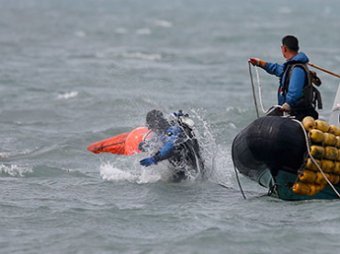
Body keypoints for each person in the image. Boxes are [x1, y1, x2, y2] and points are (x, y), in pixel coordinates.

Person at [249, 35, 322, 121]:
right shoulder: (291, 67)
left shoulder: (297, 69)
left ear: (284, 49)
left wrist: (287, 105)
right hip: (292, 113)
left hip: (298, 114)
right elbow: (277, 69)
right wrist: (260, 63)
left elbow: (295, 92)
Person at [139, 109, 204, 181]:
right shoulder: (162, 131)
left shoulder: (173, 130)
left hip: (190, 168)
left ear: (156, 123)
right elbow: (157, 142)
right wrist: (145, 146)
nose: (149, 128)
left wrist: (155, 158)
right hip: (182, 167)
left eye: (150, 125)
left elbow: (170, 147)